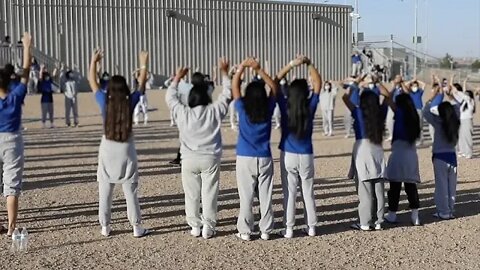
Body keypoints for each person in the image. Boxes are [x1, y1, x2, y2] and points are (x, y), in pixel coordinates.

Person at [166, 59, 232, 240]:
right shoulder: (214, 111)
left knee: (191, 194)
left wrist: (177, 79)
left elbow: (170, 98)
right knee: (210, 193)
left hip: (188, 159)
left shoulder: (183, 112)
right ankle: (208, 227)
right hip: (210, 158)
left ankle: (194, 225)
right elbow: (227, 94)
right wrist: (225, 73)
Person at [88, 49, 151, 238]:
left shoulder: (104, 102)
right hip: (126, 147)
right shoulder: (129, 102)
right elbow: (141, 86)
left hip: (108, 147)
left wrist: (93, 62)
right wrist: (143, 64)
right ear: (124, 88)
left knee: (105, 189)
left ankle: (105, 226)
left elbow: (92, 82)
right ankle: (137, 227)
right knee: (130, 189)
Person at [232, 58, 278, 241]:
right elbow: (274, 88)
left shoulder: (243, 108)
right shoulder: (268, 108)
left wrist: (242, 67)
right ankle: (265, 229)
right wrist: (259, 69)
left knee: (246, 196)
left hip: (245, 157)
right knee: (265, 196)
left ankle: (245, 230)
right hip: (264, 156)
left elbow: (235, 86)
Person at [276, 56, 322, 238]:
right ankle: (311, 227)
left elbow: (275, 81)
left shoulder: (285, 106)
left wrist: (291, 65)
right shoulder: (309, 107)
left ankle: (288, 228)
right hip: (306, 154)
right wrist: (310, 64)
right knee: (308, 192)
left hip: (288, 154)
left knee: (289, 192)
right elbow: (318, 84)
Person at [343, 82, 389, 231]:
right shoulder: (380, 112)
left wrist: (354, 85)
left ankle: (365, 221)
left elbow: (345, 97)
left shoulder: (358, 112)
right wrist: (377, 82)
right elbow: (387, 95)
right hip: (377, 149)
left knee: (365, 189)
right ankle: (379, 220)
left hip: (362, 150)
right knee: (378, 189)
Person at [0, 33, 32, 236]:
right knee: (11, 184)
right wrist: (27, 47)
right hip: (12, 140)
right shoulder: (16, 95)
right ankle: (11, 227)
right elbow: (26, 72)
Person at [384, 91, 422, 226]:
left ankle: (392, 214)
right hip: (411, 155)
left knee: (394, 187)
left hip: (398, 154)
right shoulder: (414, 117)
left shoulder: (400, 114)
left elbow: (388, 99)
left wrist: (391, 86)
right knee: (411, 186)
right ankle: (415, 215)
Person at [423, 87, 460, 220]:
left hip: (440, 157)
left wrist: (433, 96)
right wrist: (450, 96)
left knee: (441, 187)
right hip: (452, 156)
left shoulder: (438, 122)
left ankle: (443, 211)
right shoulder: (455, 122)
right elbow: (458, 107)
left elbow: (425, 111)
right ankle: (450, 209)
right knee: (451, 186)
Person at [451, 77, 475, 159]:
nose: (465, 95)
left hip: (468, 121)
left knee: (467, 137)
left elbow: (463, 93)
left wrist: (458, 89)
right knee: (461, 137)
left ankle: (469, 153)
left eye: (467, 94)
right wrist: (464, 82)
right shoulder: (464, 102)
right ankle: (463, 151)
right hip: (462, 121)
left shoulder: (470, 101)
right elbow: (459, 93)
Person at [407, 79, 426, 145]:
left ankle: (421, 139)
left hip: (419, 109)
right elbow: (406, 85)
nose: (415, 87)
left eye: (416, 86)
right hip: (412, 109)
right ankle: (414, 138)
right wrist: (411, 81)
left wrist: (418, 80)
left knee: (420, 124)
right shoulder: (410, 92)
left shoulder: (419, 92)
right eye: (413, 86)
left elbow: (424, 84)